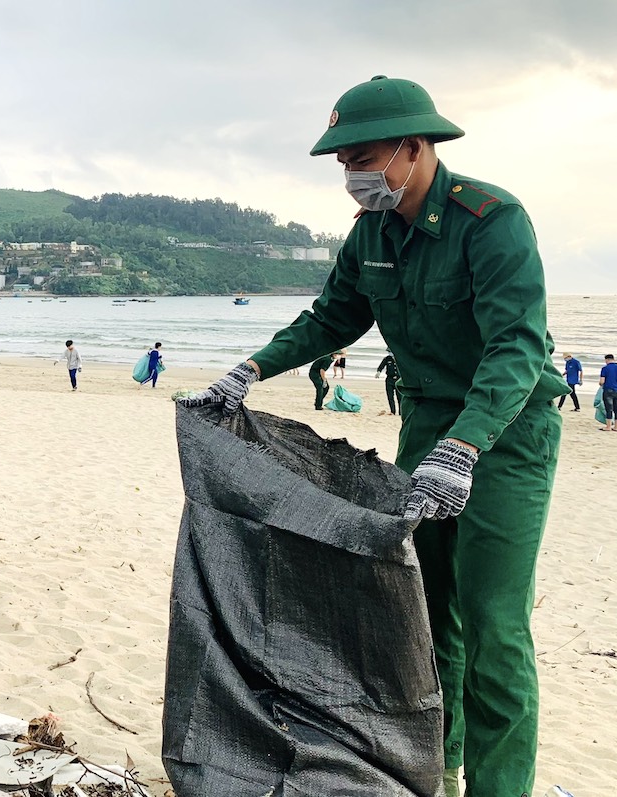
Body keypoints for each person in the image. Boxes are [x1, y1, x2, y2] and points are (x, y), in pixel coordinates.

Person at [176, 76, 567, 796]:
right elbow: (330, 318)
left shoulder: (492, 220)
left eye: (362, 157)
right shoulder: (371, 233)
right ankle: (436, 773)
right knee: (425, 615)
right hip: (424, 425)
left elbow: (516, 346)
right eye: (342, 163)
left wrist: (466, 445)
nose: (352, 176)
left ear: (414, 148)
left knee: (493, 628)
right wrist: (250, 369)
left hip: (505, 435)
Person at [599, 354, 617, 432]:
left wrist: (601, 384)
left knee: (609, 409)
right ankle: (616, 427)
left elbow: (602, 381)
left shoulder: (605, 368)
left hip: (608, 390)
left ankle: (608, 426)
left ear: (607, 360)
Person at [376, 350, 401, 415]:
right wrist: (378, 372)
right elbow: (381, 366)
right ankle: (392, 411)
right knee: (390, 396)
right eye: (389, 351)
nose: (390, 353)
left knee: (399, 397)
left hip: (398, 380)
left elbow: (406, 367)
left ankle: (401, 412)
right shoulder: (387, 358)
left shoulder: (400, 358)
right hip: (389, 379)